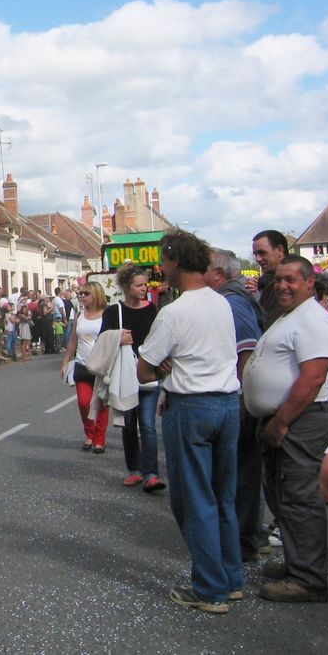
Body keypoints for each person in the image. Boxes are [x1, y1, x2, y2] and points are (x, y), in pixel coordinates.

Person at [137, 229, 241, 615]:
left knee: (195, 499)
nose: (161, 268)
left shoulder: (174, 312)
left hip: (192, 406)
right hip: (228, 402)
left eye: (164, 260)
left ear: (175, 261)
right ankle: (230, 580)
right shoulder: (221, 303)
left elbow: (144, 371)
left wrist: (165, 367)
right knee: (223, 496)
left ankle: (210, 589)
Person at [243, 255, 328, 603]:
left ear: (309, 283)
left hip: (302, 418)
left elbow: (312, 377)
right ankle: (299, 562)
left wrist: (282, 420)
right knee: (284, 496)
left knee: (300, 498)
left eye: (291, 280)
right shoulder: (290, 316)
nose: (282, 285)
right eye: (278, 279)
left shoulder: (313, 320)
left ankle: (309, 580)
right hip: (284, 417)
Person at [203, 248, 266, 563]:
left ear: (217, 274)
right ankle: (247, 537)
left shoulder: (231, 302)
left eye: (204, 269)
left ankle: (243, 541)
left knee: (241, 474)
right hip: (239, 399)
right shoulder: (232, 298)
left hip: (240, 401)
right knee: (241, 473)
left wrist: (242, 401)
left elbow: (246, 354)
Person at [101, 265, 163, 490]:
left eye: (145, 284)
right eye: (139, 285)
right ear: (127, 287)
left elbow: (160, 339)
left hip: (147, 374)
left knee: (147, 425)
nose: (144, 288)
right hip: (124, 374)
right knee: (128, 424)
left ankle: (152, 474)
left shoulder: (151, 310)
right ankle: (134, 470)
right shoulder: (113, 311)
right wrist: (118, 338)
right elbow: (103, 340)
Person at [61, 282, 108, 453]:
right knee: (84, 402)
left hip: (102, 365)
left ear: (96, 294)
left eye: (85, 293)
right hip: (82, 364)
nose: (81, 296)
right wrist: (66, 361)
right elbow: (73, 340)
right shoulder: (80, 314)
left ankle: (99, 438)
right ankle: (89, 432)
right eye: (80, 293)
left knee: (101, 403)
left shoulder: (107, 315)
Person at [247, 229, 288, 329]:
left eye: (262, 253)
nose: (258, 259)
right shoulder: (269, 283)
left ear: (279, 250)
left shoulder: (288, 284)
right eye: (255, 254)